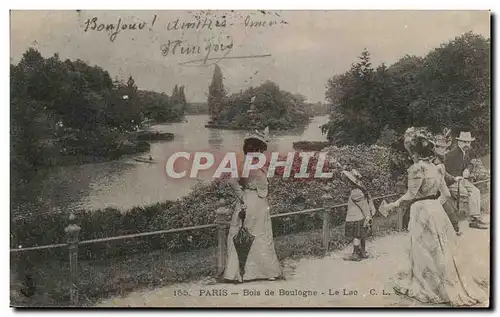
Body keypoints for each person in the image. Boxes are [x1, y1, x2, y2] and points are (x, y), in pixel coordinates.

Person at [386, 134, 487, 306]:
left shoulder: (416, 169)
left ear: (415, 153)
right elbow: (446, 194)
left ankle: (430, 285)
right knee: (440, 248)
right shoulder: (437, 168)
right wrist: (434, 205)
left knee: (422, 249)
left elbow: (411, 194)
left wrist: (393, 205)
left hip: (421, 211)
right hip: (436, 209)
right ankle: (443, 282)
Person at [223, 127, 283, 283]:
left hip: (261, 204)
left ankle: (265, 271)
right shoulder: (244, 164)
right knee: (245, 235)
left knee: (262, 236)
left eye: (261, 151)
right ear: (252, 150)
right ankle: (241, 273)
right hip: (248, 202)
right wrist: (242, 198)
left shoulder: (260, 164)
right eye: (258, 150)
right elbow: (232, 181)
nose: (260, 153)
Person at [444, 132, 488, 230]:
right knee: (468, 194)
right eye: (464, 142)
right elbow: (445, 171)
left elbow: (470, 163)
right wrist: (456, 178)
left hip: (462, 180)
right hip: (452, 182)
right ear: (458, 142)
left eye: (468, 142)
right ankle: (471, 219)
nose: (466, 144)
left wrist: (467, 169)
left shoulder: (467, 151)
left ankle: (475, 219)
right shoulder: (452, 154)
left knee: (476, 191)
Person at [342, 169, 375, 261]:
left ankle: (355, 254)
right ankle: (363, 252)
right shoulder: (359, 191)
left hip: (356, 217)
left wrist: (368, 216)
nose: (347, 183)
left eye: (348, 181)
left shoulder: (355, 192)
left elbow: (363, 206)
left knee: (356, 236)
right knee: (361, 235)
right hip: (361, 216)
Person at [432, 133, 461, 235]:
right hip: (431, 191)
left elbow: (444, 174)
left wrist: (454, 178)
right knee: (449, 210)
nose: (443, 149)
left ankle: (452, 229)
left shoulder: (441, 158)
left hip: (440, 189)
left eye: (444, 147)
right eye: (440, 147)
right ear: (435, 147)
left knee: (453, 209)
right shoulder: (432, 159)